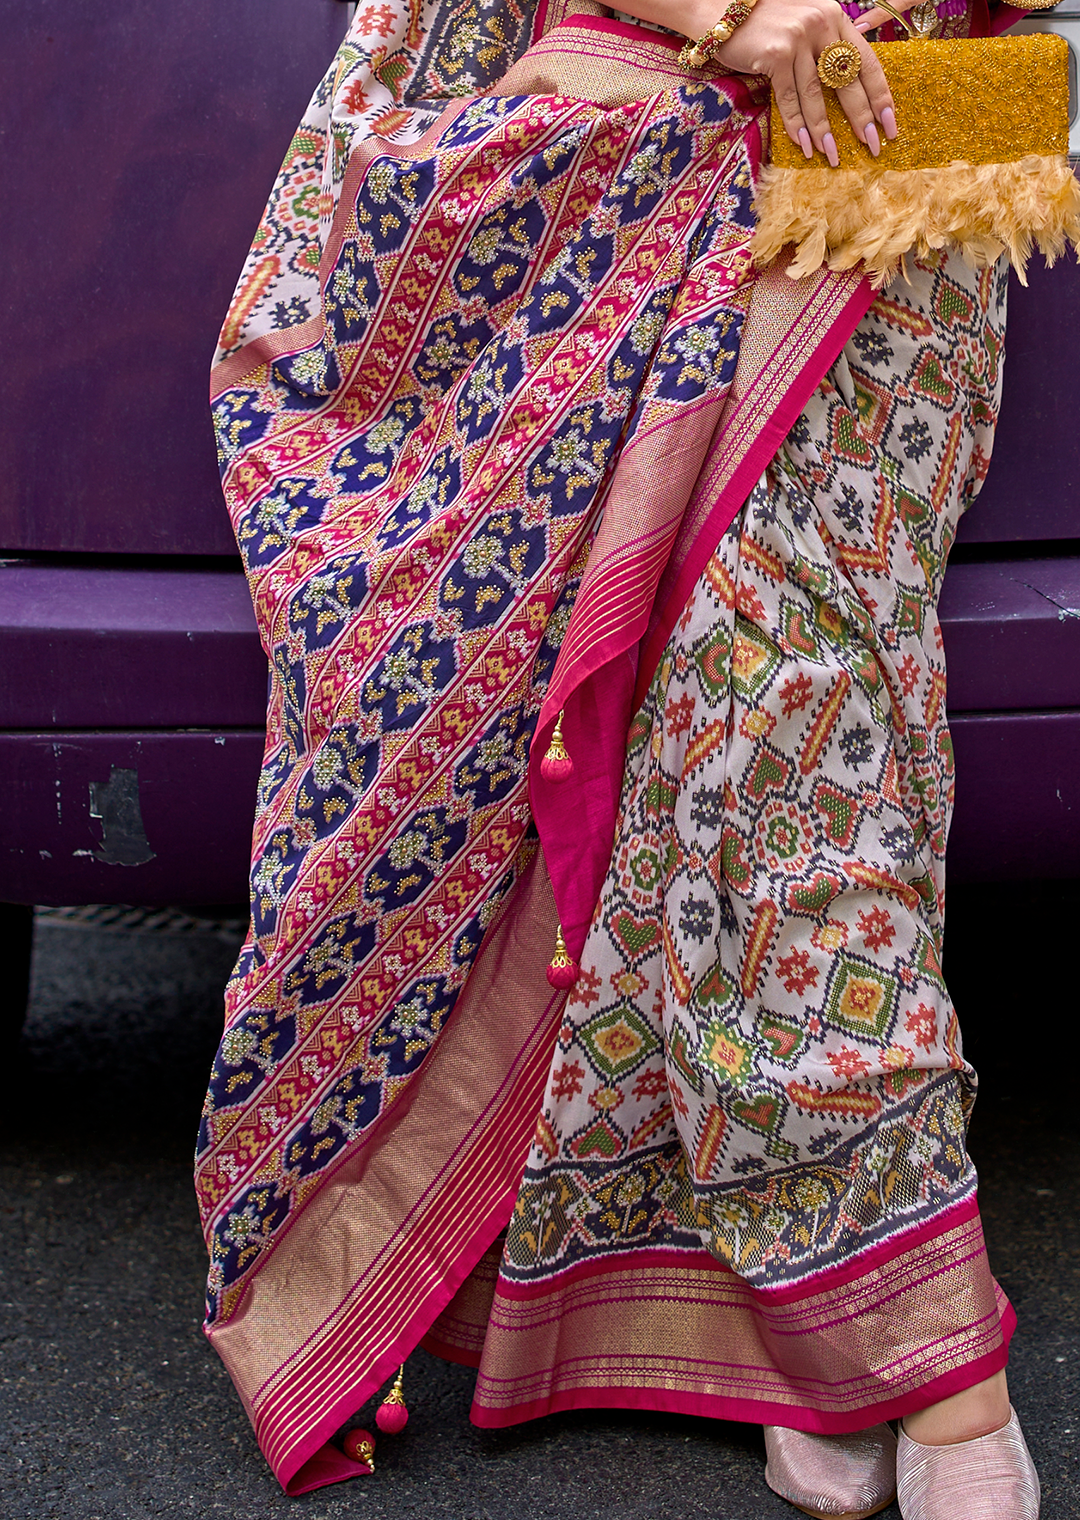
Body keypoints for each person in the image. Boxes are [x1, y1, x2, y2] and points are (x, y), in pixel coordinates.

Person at [197, 0, 1056, 1511]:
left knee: (784, 689)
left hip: (900, 168)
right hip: (617, 171)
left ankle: (879, 1333)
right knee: (720, 709)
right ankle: (851, 1340)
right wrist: (735, 14)